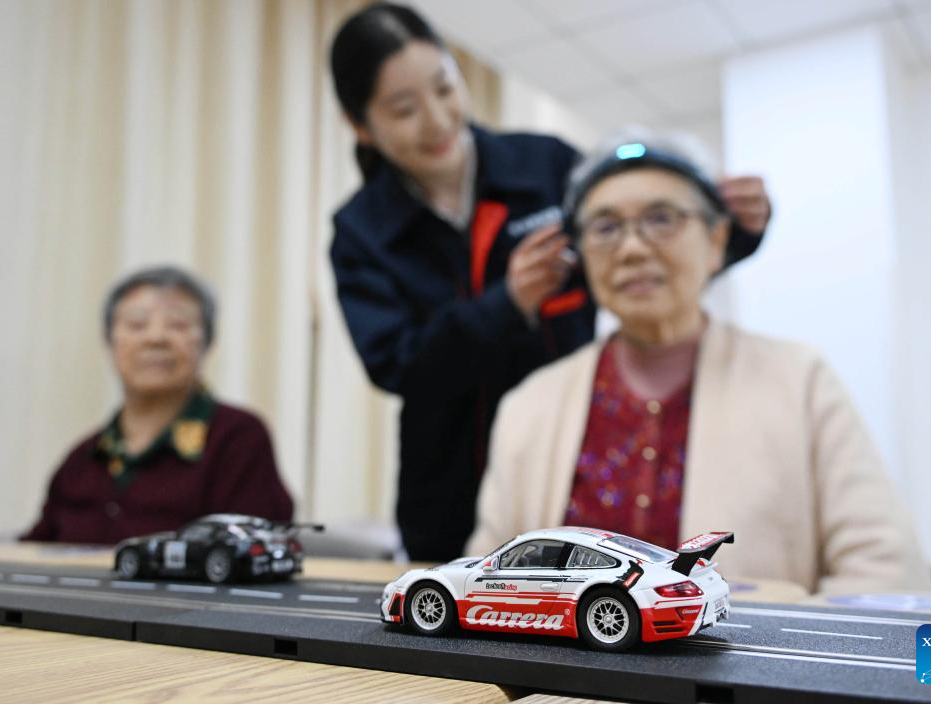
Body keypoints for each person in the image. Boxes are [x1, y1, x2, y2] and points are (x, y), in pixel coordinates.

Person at [328, 3, 772, 561]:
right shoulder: (362, 232)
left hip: (572, 465)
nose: (438, 119)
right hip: (447, 494)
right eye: (404, 109)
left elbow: (638, 265)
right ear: (360, 126)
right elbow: (397, 366)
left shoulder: (545, 167)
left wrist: (736, 228)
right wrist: (507, 303)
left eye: (444, 87)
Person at [467, 132, 931, 594]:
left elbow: (884, 571)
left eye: (661, 218)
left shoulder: (800, 382)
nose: (631, 249)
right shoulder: (531, 405)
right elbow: (485, 580)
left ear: (716, 239)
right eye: (605, 228)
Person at [21, 266, 294, 544]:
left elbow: (250, 551)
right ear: (110, 342)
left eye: (178, 325)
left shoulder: (238, 439)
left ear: (207, 342)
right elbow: (33, 552)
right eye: (137, 324)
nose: (156, 338)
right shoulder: (83, 458)